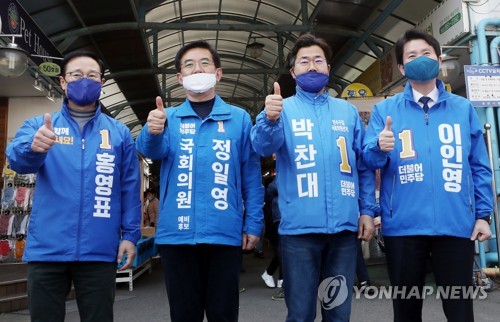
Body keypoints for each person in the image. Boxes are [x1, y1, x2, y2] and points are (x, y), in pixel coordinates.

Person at [362, 28, 493, 322]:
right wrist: (379, 147)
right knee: (406, 311)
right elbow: (367, 161)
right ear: (401, 67)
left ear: (439, 58)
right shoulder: (385, 110)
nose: (420, 59)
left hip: (456, 224)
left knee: (460, 310)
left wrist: (483, 214)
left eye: (426, 53)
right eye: (411, 55)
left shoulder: (462, 109)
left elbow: (478, 165)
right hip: (403, 228)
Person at [6, 50, 141, 322]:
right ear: (64, 82)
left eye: (92, 75)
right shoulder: (41, 126)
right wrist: (33, 148)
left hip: (99, 250)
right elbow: (17, 160)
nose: (84, 80)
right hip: (47, 249)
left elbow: (129, 188)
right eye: (76, 75)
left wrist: (130, 236)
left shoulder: (119, 133)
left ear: (102, 83)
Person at [251, 33, 378, 322]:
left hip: (344, 232)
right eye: (304, 61)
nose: (312, 66)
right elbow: (261, 146)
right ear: (293, 72)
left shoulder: (347, 112)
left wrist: (368, 211)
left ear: (328, 69)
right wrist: (269, 119)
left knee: (338, 312)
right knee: (300, 313)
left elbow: (364, 165)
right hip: (298, 233)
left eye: (318, 61)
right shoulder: (281, 110)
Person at [135, 40, 264, 322]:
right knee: (184, 314)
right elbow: (150, 150)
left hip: (224, 231)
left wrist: (254, 223)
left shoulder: (239, 118)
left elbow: (251, 176)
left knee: (223, 313)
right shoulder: (168, 117)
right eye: (189, 65)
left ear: (218, 73)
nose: (198, 69)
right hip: (176, 235)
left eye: (205, 63)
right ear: (180, 78)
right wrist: (151, 130)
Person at [261, 175, 283, 290]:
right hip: (279, 218)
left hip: (288, 217)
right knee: (283, 249)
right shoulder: (279, 179)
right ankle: (279, 278)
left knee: (284, 249)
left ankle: (274, 275)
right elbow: (269, 191)